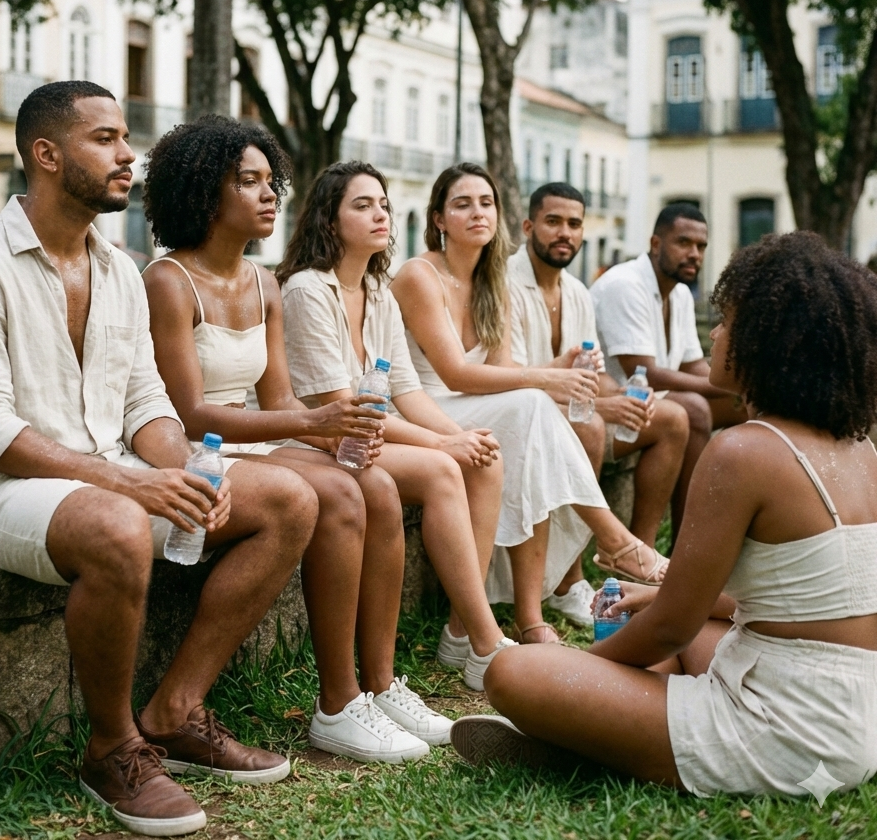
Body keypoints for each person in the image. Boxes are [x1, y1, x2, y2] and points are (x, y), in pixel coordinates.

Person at [0, 83, 315, 836]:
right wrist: (132, 483)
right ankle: (111, 749)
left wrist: (189, 470)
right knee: (121, 526)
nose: (129, 153)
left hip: (97, 474)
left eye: (124, 136)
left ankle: (177, 709)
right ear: (47, 154)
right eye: (105, 138)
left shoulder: (120, 270)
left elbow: (146, 406)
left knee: (288, 499)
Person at [452, 232, 877, 798]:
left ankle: (584, 739)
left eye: (726, 321)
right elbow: (810, 592)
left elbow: (671, 629)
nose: (716, 334)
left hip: (781, 736)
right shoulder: (862, 449)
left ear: (771, 340)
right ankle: (600, 732)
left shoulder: (744, 451)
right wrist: (659, 595)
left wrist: (588, 670)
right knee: (681, 630)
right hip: (857, 721)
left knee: (513, 672)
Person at [141, 116, 446, 762]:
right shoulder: (169, 281)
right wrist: (314, 426)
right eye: (246, 181)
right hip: (194, 448)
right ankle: (337, 702)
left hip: (253, 436)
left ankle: (374, 687)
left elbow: (277, 399)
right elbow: (191, 413)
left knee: (375, 484)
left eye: (269, 180)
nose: (268, 193)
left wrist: (339, 437)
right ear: (203, 193)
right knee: (336, 497)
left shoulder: (265, 284)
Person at [390, 163, 667, 648]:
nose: (478, 212)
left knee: (529, 428)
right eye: (462, 204)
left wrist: (562, 367)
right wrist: (548, 377)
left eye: (486, 202)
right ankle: (613, 542)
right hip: (422, 407)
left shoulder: (492, 280)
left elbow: (500, 372)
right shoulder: (420, 275)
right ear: (438, 219)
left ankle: (503, 620)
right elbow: (455, 373)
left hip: (474, 407)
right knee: (532, 408)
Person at [275, 161, 513, 689]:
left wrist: (456, 436)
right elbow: (343, 409)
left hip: (361, 435)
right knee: (443, 470)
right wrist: (442, 443)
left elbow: (405, 390)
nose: (380, 213)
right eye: (363, 205)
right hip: (308, 437)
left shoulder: (379, 291)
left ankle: (463, 636)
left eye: (383, 203)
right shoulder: (308, 289)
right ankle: (487, 640)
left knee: (481, 460)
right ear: (328, 221)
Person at [508, 183, 689, 624]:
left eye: (573, 224)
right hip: (519, 414)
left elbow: (593, 372)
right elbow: (511, 380)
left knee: (674, 418)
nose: (564, 233)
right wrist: (600, 407)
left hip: (569, 409)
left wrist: (621, 396)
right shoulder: (505, 284)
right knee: (587, 425)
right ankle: (569, 581)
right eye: (553, 222)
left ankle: (640, 553)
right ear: (529, 226)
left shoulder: (576, 291)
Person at [591, 202, 745, 537]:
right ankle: (681, 541)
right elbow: (647, 372)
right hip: (611, 406)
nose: (694, 254)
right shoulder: (624, 284)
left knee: (745, 407)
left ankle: (746, 527)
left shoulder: (679, 295)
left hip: (654, 404)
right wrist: (729, 386)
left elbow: (693, 366)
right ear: (656, 244)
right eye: (684, 243)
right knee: (694, 409)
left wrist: (743, 388)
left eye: (701, 246)